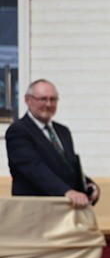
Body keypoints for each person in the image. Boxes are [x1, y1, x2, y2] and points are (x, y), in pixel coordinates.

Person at [5, 79, 100, 208]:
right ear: (28, 100)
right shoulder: (18, 131)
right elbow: (33, 169)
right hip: (34, 211)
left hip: (65, 210)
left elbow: (68, 168)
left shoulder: (63, 131)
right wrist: (66, 192)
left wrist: (89, 185)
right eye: (43, 99)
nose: (48, 104)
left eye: (53, 99)